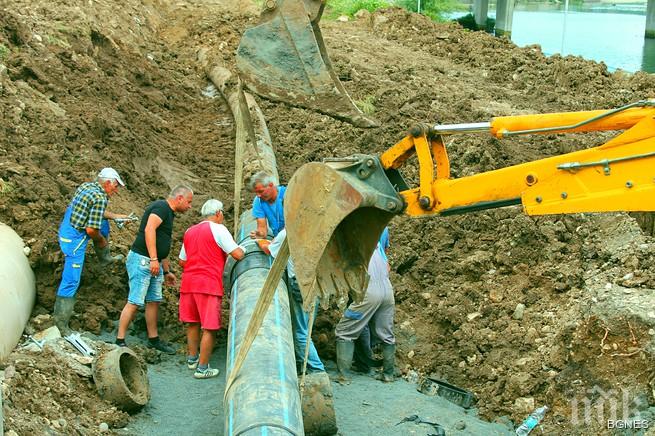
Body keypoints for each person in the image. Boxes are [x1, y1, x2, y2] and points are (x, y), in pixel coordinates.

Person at [115, 184, 194, 353]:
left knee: (154, 300)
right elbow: (149, 229)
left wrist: (166, 271)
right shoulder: (161, 207)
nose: (189, 206)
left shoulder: (169, 213)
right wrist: (152, 259)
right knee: (135, 301)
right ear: (179, 198)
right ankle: (119, 340)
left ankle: (154, 339)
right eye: (188, 201)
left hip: (154, 262)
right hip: (143, 260)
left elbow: (162, 243)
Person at [53, 167, 128, 334]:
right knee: (71, 280)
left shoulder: (87, 186)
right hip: (73, 238)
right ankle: (61, 323)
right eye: (116, 186)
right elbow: (91, 231)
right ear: (108, 183)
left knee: (104, 223)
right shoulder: (100, 198)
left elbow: (96, 213)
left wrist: (115, 216)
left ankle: (105, 259)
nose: (116, 191)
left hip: (68, 224)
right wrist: (101, 241)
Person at [178, 199, 244, 379]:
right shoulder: (219, 229)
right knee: (209, 327)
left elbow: (182, 260)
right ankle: (202, 368)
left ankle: (192, 359)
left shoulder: (190, 231)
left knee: (193, 322)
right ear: (218, 213)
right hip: (208, 284)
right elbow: (237, 254)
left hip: (189, 283)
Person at [258, 229, 326, 374]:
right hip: (318, 282)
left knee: (301, 332)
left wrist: (259, 241)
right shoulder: (315, 230)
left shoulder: (288, 233)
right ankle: (304, 364)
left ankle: (317, 370)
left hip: (300, 285)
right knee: (307, 328)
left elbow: (269, 250)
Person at [335, 227, 396, 383]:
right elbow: (388, 266)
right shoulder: (376, 245)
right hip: (387, 291)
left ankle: (343, 376)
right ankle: (388, 374)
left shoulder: (352, 245)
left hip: (369, 292)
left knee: (344, 331)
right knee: (386, 334)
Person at [248, 171, 285, 239]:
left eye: (261, 191)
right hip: (278, 237)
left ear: (271, 185)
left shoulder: (286, 195)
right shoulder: (258, 201)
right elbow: (262, 228)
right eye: (256, 192)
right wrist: (260, 234)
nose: (258, 195)